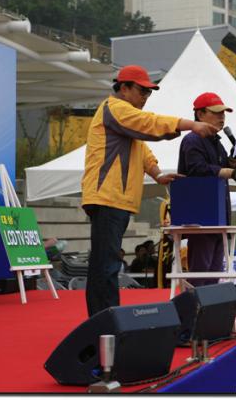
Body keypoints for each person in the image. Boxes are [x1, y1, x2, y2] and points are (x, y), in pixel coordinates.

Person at [81, 65, 218, 316]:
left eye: (149, 92)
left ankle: (104, 320)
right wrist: (190, 124)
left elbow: (142, 150)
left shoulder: (123, 116)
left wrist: (158, 174)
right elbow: (149, 123)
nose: (146, 96)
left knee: (106, 263)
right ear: (124, 88)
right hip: (108, 197)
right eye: (142, 90)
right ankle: (105, 321)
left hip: (114, 199)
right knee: (106, 265)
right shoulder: (116, 108)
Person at [177, 92, 236, 286]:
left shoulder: (215, 142)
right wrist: (230, 171)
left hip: (217, 217)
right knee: (201, 273)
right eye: (217, 112)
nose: (222, 117)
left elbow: (221, 167)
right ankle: (196, 304)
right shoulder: (192, 140)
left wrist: (233, 159)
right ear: (200, 114)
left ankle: (208, 303)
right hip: (201, 218)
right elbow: (198, 170)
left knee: (213, 273)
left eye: (223, 113)